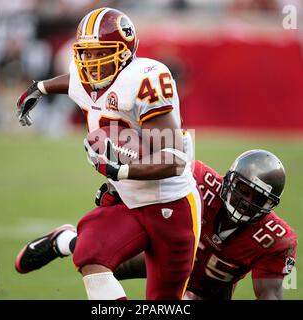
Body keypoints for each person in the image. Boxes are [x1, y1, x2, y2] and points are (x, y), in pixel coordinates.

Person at [16, 7, 202, 300]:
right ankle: (71, 242)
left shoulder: (145, 80)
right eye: (86, 53)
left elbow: (175, 160)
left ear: (125, 52)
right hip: (126, 201)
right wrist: (40, 88)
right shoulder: (87, 76)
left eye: (99, 52)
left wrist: (120, 171)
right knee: (91, 255)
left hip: (170, 203)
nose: (90, 62)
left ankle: (66, 241)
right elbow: (74, 81)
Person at [16, 149, 297, 300]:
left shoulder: (276, 239)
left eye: (256, 197)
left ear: (270, 203)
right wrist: (118, 189)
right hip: (166, 255)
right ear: (228, 180)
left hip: (207, 290)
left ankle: (65, 240)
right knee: (94, 258)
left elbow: (270, 294)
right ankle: (64, 241)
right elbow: (155, 183)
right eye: (242, 190)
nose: (245, 201)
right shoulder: (198, 180)